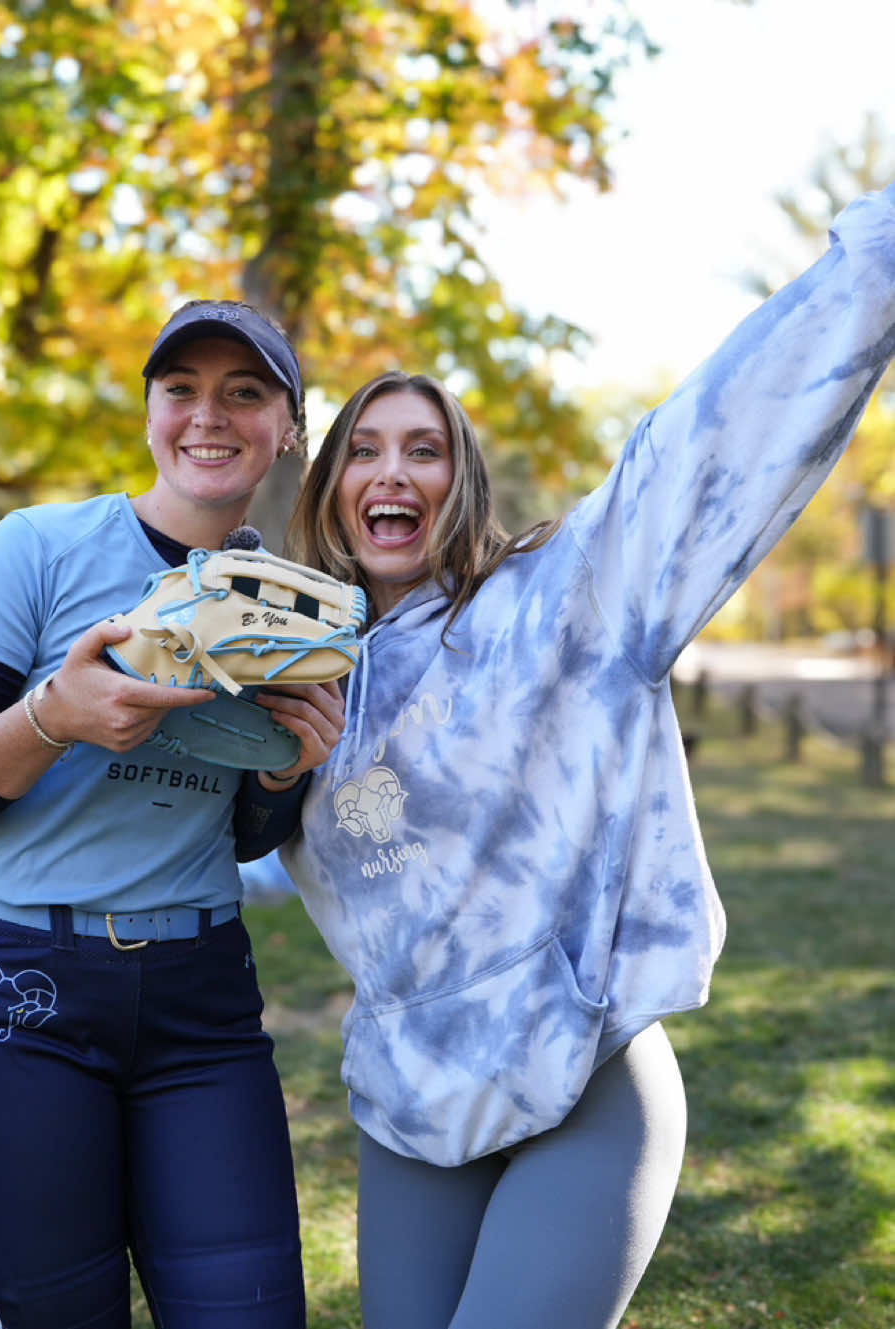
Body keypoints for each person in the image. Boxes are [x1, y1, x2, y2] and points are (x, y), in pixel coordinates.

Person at [279, 181, 895, 1329]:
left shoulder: (567, 601)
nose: (392, 473)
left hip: (585, 1084)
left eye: (425, 450)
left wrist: (875, 260)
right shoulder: (297, 670)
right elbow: (220, 837)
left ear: (462, 483)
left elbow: (712, 441)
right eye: (363, 450)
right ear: (332, 487)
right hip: (410, 1107)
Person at [0, 300, 346, 1329]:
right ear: (148, 411)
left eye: (245, 393)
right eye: (180, 389)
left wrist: (286, 776)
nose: (208, 416)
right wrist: (56, 714)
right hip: (24, 1000)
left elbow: (238, 837)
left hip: (202, 1006)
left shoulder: (290, 604)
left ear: (288, 427)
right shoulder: (38, 549)